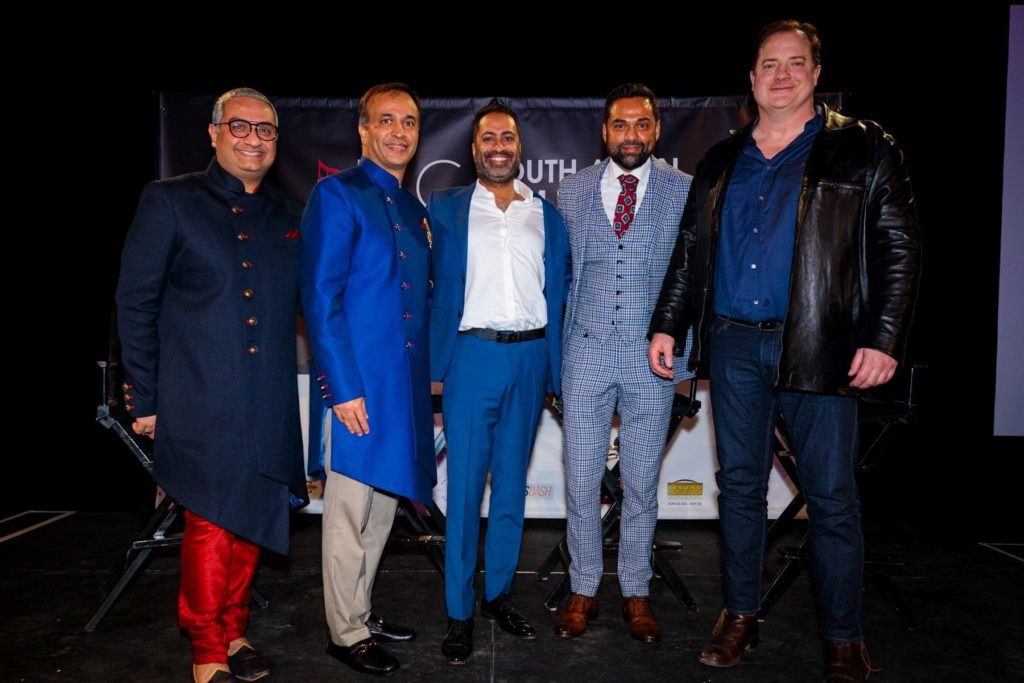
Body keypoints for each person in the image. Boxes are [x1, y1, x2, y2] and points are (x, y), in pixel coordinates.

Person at [647, 20, 921, 682]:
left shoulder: (864, 147)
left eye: (795, 63)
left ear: (816, 73)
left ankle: (842, 634)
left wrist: (882, 338)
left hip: (820, 350)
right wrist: (667, 324)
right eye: (769, 64)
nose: (781, 74)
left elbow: (899, 247)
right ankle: (740, 613)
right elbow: (689, 251)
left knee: (830, 495)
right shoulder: (720, 158)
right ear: (751, 79)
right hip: (734, 348)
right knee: (740, 488)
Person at [116, 87, 308, 683]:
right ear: (214, 133)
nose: (253, 139)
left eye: (265, 131)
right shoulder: (169, 201)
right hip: (199, 394)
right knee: (210, 523)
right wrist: (145, 399)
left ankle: (235, 629)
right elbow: (135, 303)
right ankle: (206, 649)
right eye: (240, 127)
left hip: (270, 396)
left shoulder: (288, 213)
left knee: (253, 516)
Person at [299, 83, 435, 677]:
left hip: (402, 389)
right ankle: (344, 631)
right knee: (349, 513)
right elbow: (320, 297)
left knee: (382, 509)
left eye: (408, 122)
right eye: (387, 120)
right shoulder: (336, 194)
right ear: (363, 129)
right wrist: (343, 387)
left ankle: (362, 610)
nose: (399, 132)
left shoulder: (413, 209)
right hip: (358, 386)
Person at [427, 99, 571, 664]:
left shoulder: (547, 215)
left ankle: (498, 595)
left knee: (511, 489)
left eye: (506, 138)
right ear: (474, 148)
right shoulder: (445, 207)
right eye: (488, 138)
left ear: (519, 146)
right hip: (471, 356)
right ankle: (459, 612)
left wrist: (556, 372)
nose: (497, 147)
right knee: (463, 492)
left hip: (531, 359)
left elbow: (558, 295)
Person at [555, 83, 693, 643]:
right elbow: (559, 281)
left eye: (641, 124)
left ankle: (636, 591)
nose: (630, 134)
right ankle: (583, 586)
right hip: (584, 353)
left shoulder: (683, 191)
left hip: (652, 358)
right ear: (604, 131)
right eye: (620, 124)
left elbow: (691, 277)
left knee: (640, 482)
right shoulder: (572, 190)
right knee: (583, 478)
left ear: (656, 130)